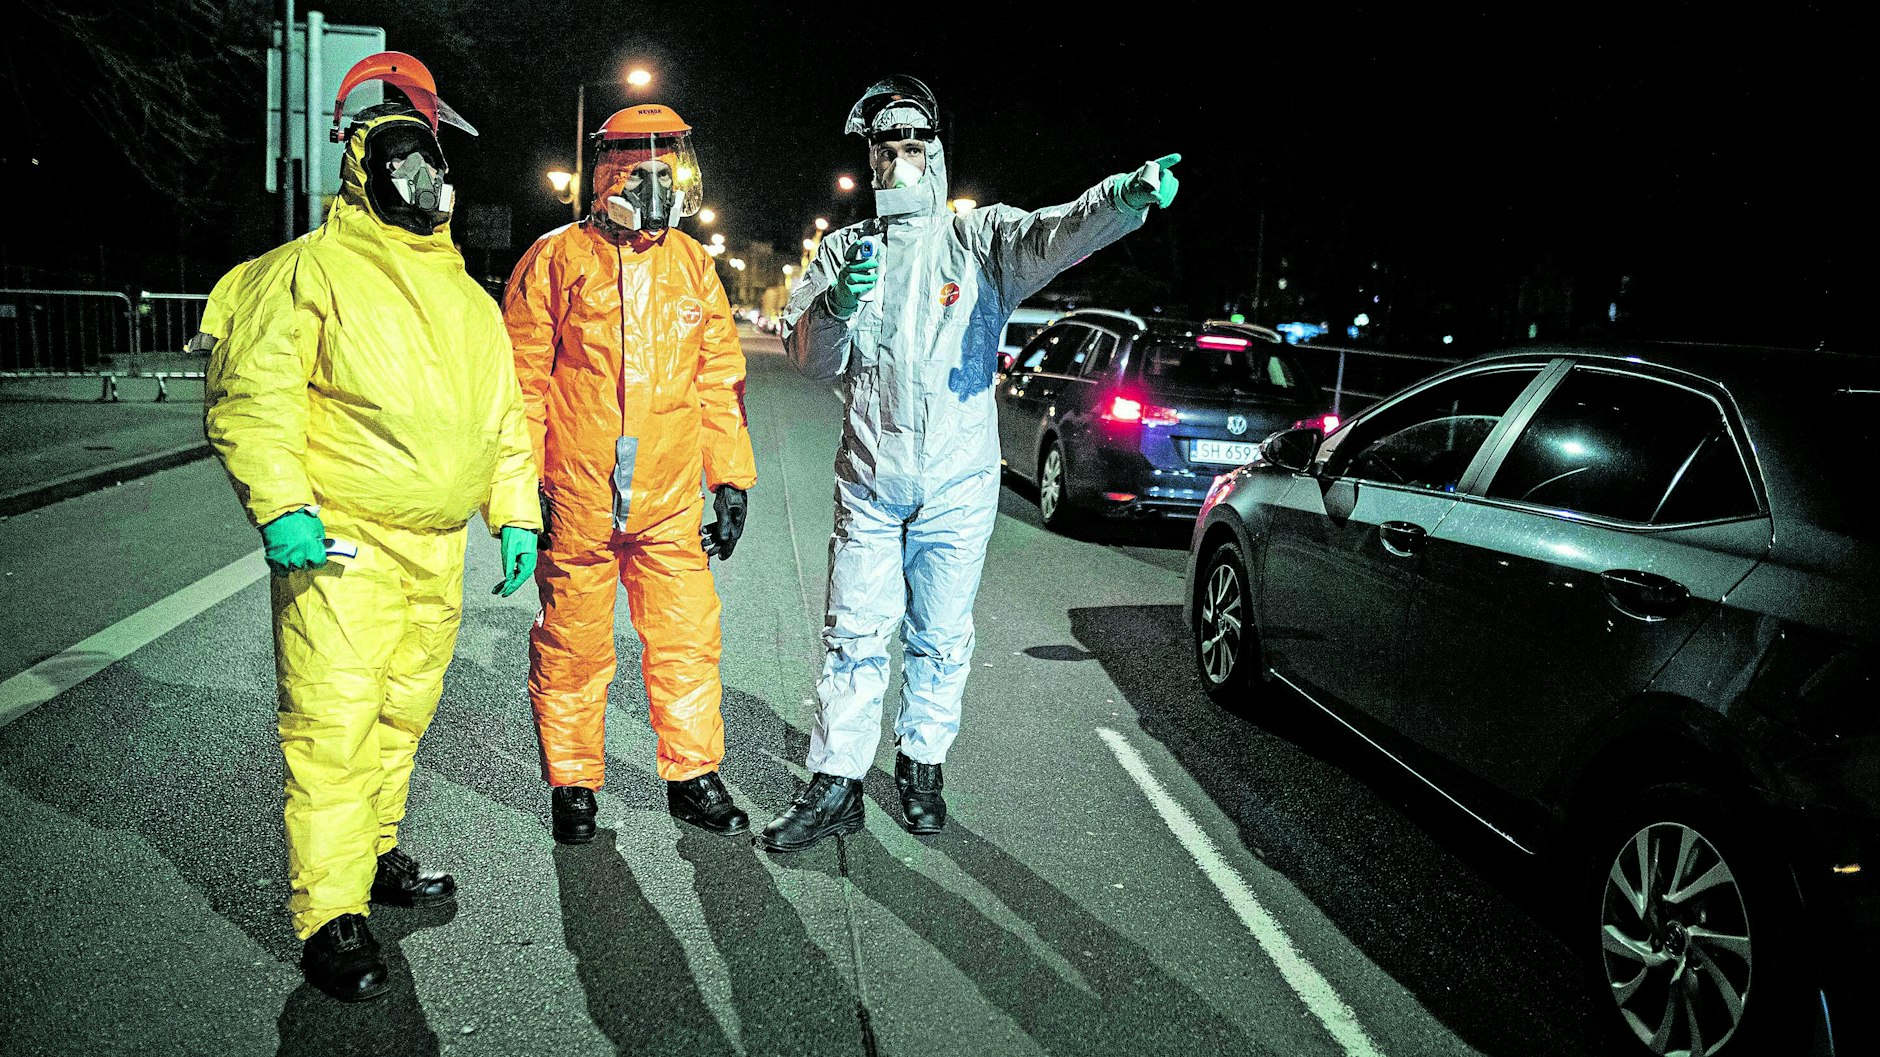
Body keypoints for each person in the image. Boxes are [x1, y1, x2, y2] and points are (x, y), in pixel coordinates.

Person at [759, 75, 1180, 853]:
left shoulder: (980, 241)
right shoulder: (846, 250)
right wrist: (835, 307)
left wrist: (1124, 198)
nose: (901, 161)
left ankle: (921, 765)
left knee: (941, 632)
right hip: (873, 476)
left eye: (914, 146)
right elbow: (811, 360)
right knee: (853, 631)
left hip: (958, 480)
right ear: (870, 159)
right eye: (887, 148)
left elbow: (1057, 233)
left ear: (937, 152)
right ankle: (836, 781)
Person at [203, 51, 540, 1002]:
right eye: (402, 161)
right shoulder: (309, 273)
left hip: (435, 548)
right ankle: (330, 913)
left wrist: (515, 514)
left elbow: (502, 419)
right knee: (334, 722)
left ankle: (374, 853)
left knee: (401, 714)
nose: (423, 180)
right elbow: (254, 395)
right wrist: (284, 503)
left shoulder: (469, 299)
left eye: (428, 161)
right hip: (343, 543)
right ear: (365, 168)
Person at [503, 103, 757, 845]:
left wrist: (730, 478)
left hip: (671, 500)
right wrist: (521, 493)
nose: (659, 182)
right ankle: (574, 781)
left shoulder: (690, 266)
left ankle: (692, 773)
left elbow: (718, 380)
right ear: (610, 171)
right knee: (573, 645)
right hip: (575, 496)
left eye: (668, 166)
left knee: (685, 640)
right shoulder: (556, 259)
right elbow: (520, 385)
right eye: (642, 168)